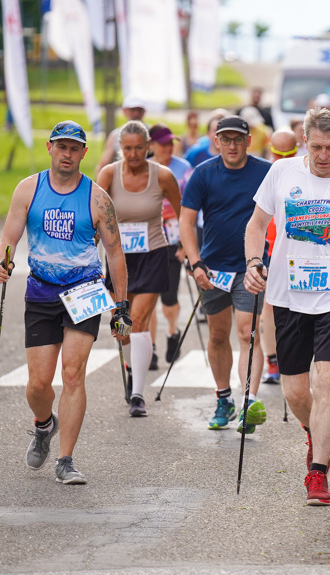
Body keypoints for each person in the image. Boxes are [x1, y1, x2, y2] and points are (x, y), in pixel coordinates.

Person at [243, 107, 330, 505]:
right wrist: (255, 262)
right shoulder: (282, 174)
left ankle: (318, 473)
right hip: (288, 293)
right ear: (304, 141)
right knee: (295, 391)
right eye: (317, 147)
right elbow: (255, 225)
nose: (324, 156)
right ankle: (312, 430)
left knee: (326, 382)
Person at [0, 120, 131, 484]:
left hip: (85, 291)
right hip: (41, 290)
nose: (67, 153)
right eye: (62, 146)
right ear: (50, 148)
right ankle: (44, 425)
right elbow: (9, 236)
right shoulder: (28, 189)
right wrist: (3, 263)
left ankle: (66, 460)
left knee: (72, 374)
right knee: (38, 384)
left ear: (84, 152)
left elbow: (115, 255)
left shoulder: (98, 198)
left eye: (75, 148)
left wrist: (121, 306)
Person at [179, 115, 273, 433]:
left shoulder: (265, 171)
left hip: (250, 266)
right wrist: (195, 262)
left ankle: (249, 400)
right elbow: (186, 223)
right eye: (226, 139)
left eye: (238, 139)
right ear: (216, 141)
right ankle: (224, 398)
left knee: (248, 332)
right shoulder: (203, 174)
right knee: (219, 335)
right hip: (213, 269)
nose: (232, 145)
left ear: (249, 140)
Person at [97, 121, 182, 416]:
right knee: (122, 326)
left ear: (148, 147)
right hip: (118, 258)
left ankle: (137, 394)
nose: (133, 154)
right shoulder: (109, 174)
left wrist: (184, 245)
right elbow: (94, 215)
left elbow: (183, 214)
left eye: (139, 148)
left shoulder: (164, 176)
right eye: (127, 148)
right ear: (121, 148)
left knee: (140, 320)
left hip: (153, 254)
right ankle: (132, 368)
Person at [148, 123, 193, 367]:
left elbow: (192, 206)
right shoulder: (141, 167)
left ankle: (172, 333)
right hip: (146, 240)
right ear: (151, 145)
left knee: (169, 297)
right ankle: (151, 348)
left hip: (173, 239)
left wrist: (187, 243)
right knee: (147, 298)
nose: (168, 147)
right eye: (163, 143)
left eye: (170, 143)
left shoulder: (183, 168)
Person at [258, 128, 300, 384]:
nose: (282, 157)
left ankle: (279, 362)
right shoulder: (269, 175)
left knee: (276, 307)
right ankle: (275, 363)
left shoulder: (269, 172)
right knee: (273, 307)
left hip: (288, 251)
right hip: (276, 250)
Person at [94, 96, 147, 178]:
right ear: (124, 111)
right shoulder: (115, 135)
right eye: (132, 110)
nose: (136, 113)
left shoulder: (153, 132)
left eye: (139, 110)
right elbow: (102, 166)